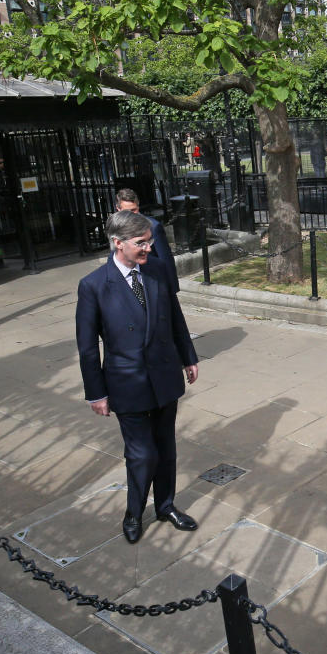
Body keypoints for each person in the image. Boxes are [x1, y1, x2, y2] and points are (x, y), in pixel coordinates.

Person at [76, 210, 200, 544]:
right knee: (142, 454)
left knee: (166, 448)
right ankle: (133, 512)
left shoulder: (156, 269)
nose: (147, 249)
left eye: (149, 242)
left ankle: (166, 506)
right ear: (117, 244)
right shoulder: (93, 285)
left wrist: (188, 357)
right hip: (126, 381)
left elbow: (175, 317)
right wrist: (96, 394)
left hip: (163, 374)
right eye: (140, 243)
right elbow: (87, 347)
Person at [115, 188, 179, 293]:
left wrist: (172, 289)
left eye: (134, 210)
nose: (132, 215)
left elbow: (166, 260)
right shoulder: (116, 228)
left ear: (138, 206)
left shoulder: (153, 227)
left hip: (152, 282)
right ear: (118, 209)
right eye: (127, 211)